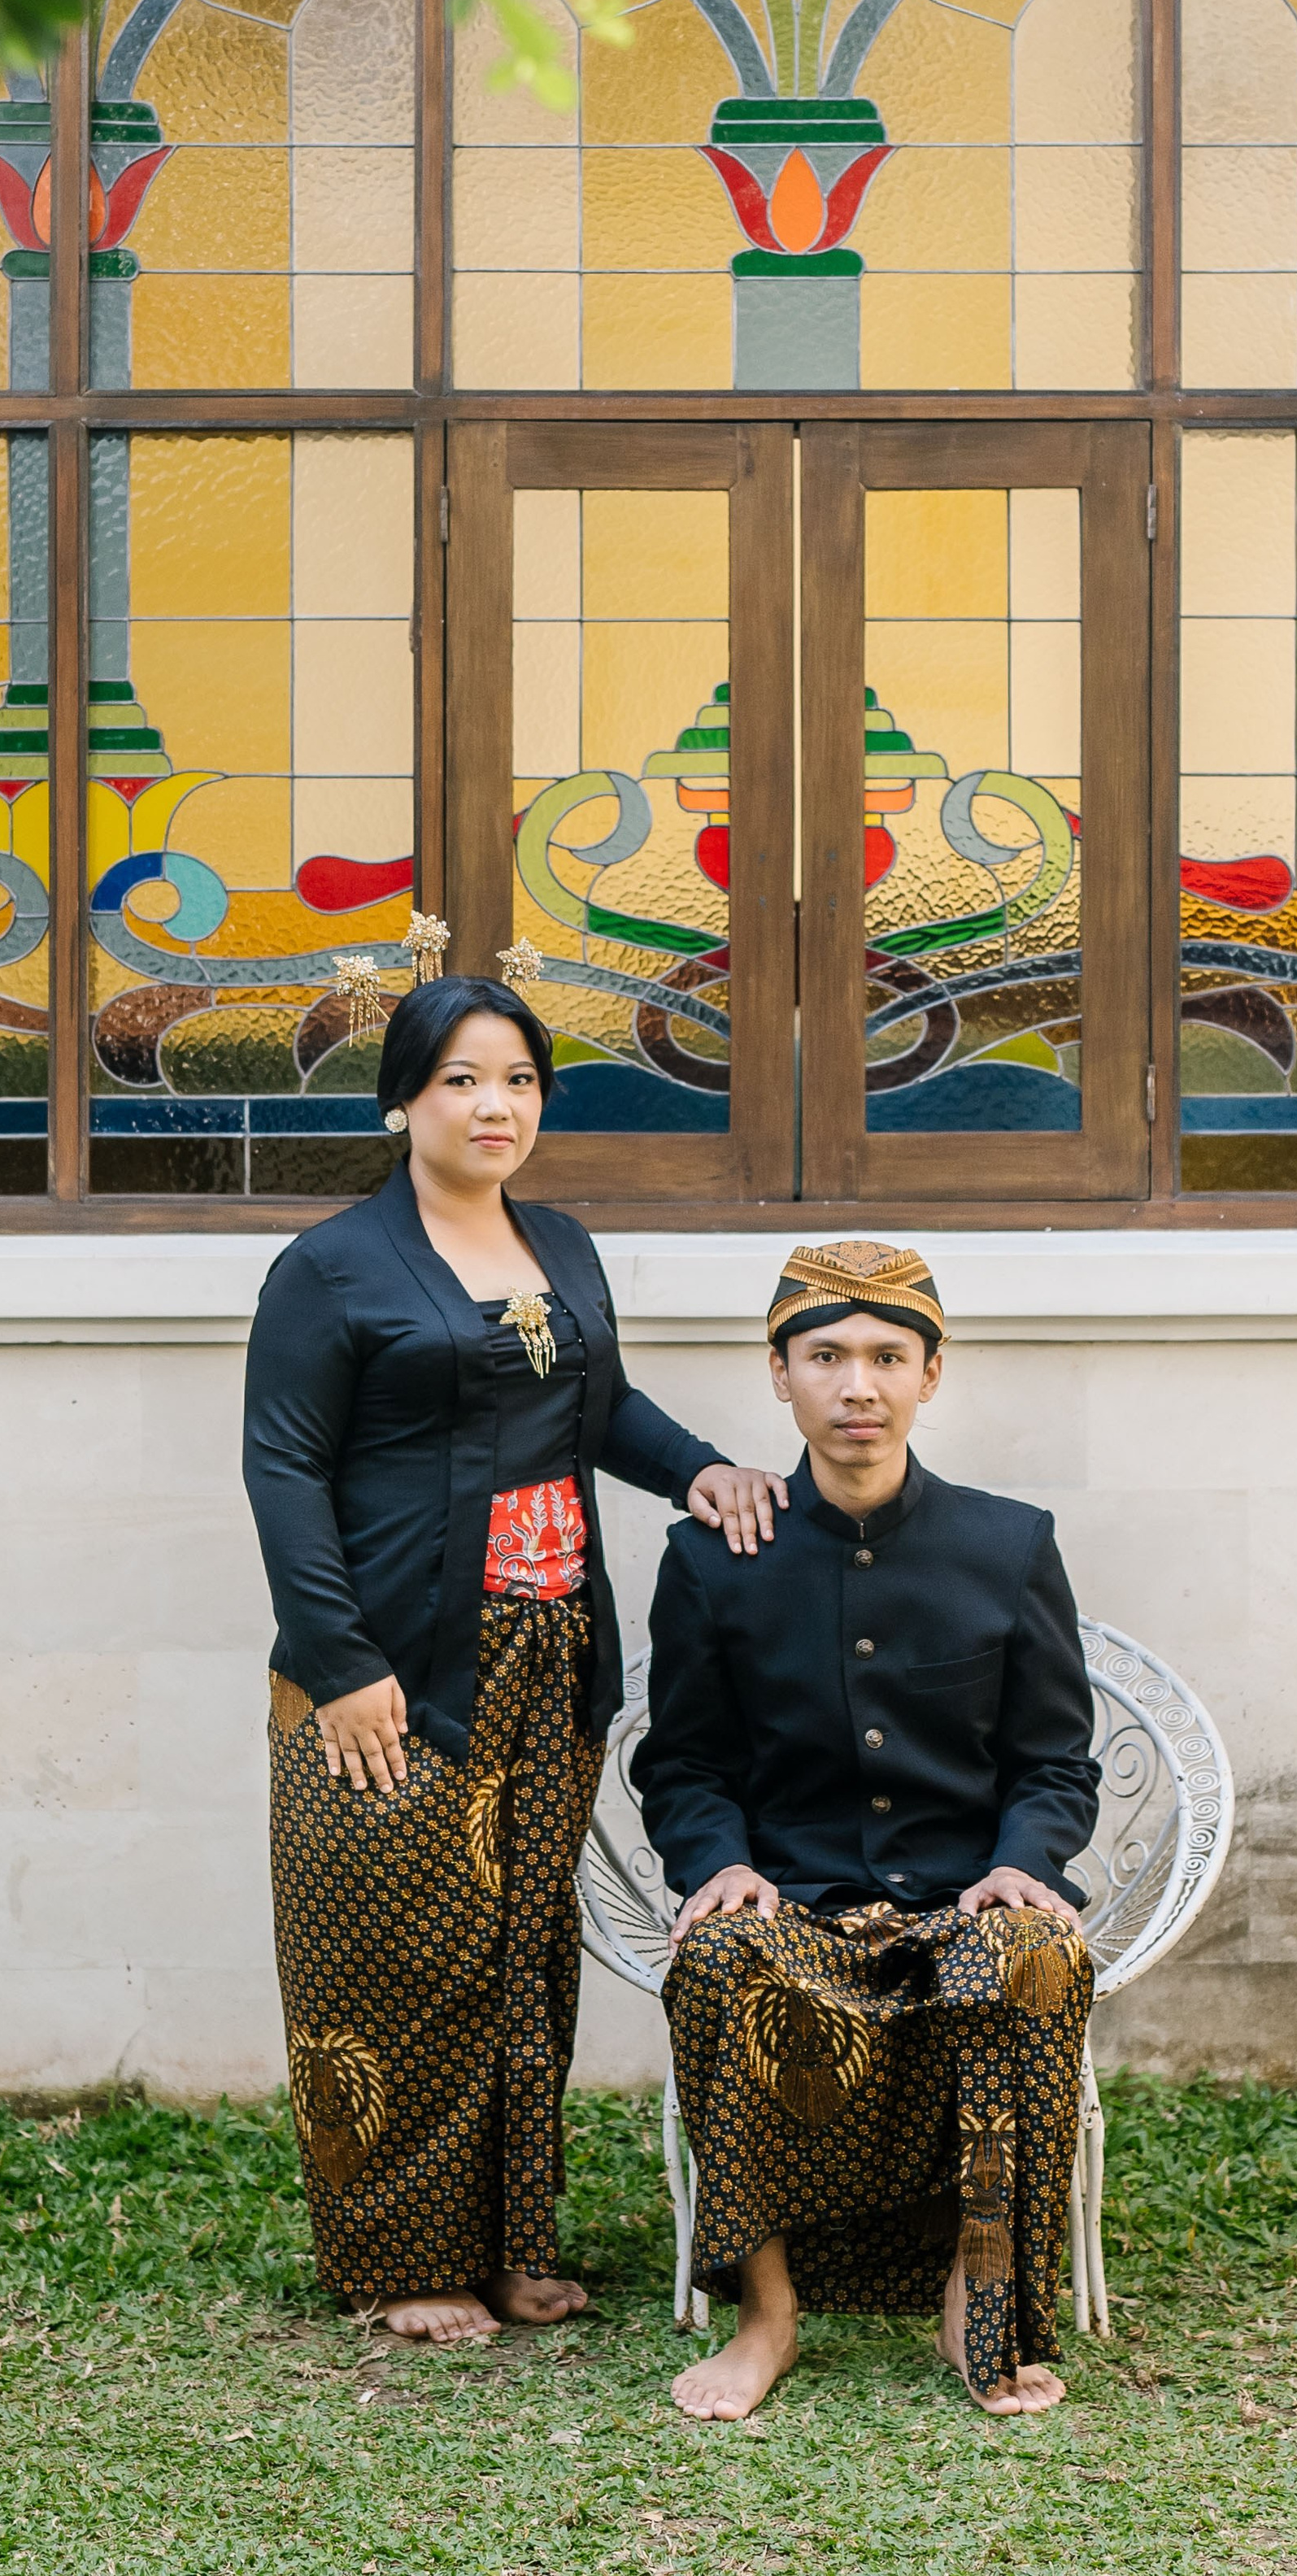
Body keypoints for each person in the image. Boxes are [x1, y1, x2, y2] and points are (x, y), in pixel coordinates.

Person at [243, 972, 790, 2348]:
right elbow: (285, 1470)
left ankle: (508, 2243)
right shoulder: (332, 1268)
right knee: (390, 1958)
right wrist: (340, 1657)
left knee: (520, 1956)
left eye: (522, 1081)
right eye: (463, 1081)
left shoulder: (561, 1242)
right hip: (392, 1670)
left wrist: (701, 1472)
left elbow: (599, 1407)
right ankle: (403, 2258)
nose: (497, 1107)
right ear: (402, 1101)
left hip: (551, 1655)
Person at [632, 1238, 1101, 2422]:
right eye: (827, 1356)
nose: (859, 1386)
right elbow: (682, 1761)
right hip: (793, 1905)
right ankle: (768, 2316)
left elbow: (1054, 1761)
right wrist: (721, 1863)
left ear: (931, 1376)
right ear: (779, 1372)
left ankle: (975, 2298)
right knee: (718, 1955)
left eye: (890, 1357)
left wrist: (1018, 1864)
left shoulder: (1009, 1544)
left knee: (1035, 1955)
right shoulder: (709, 1559)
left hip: (965, 1902)